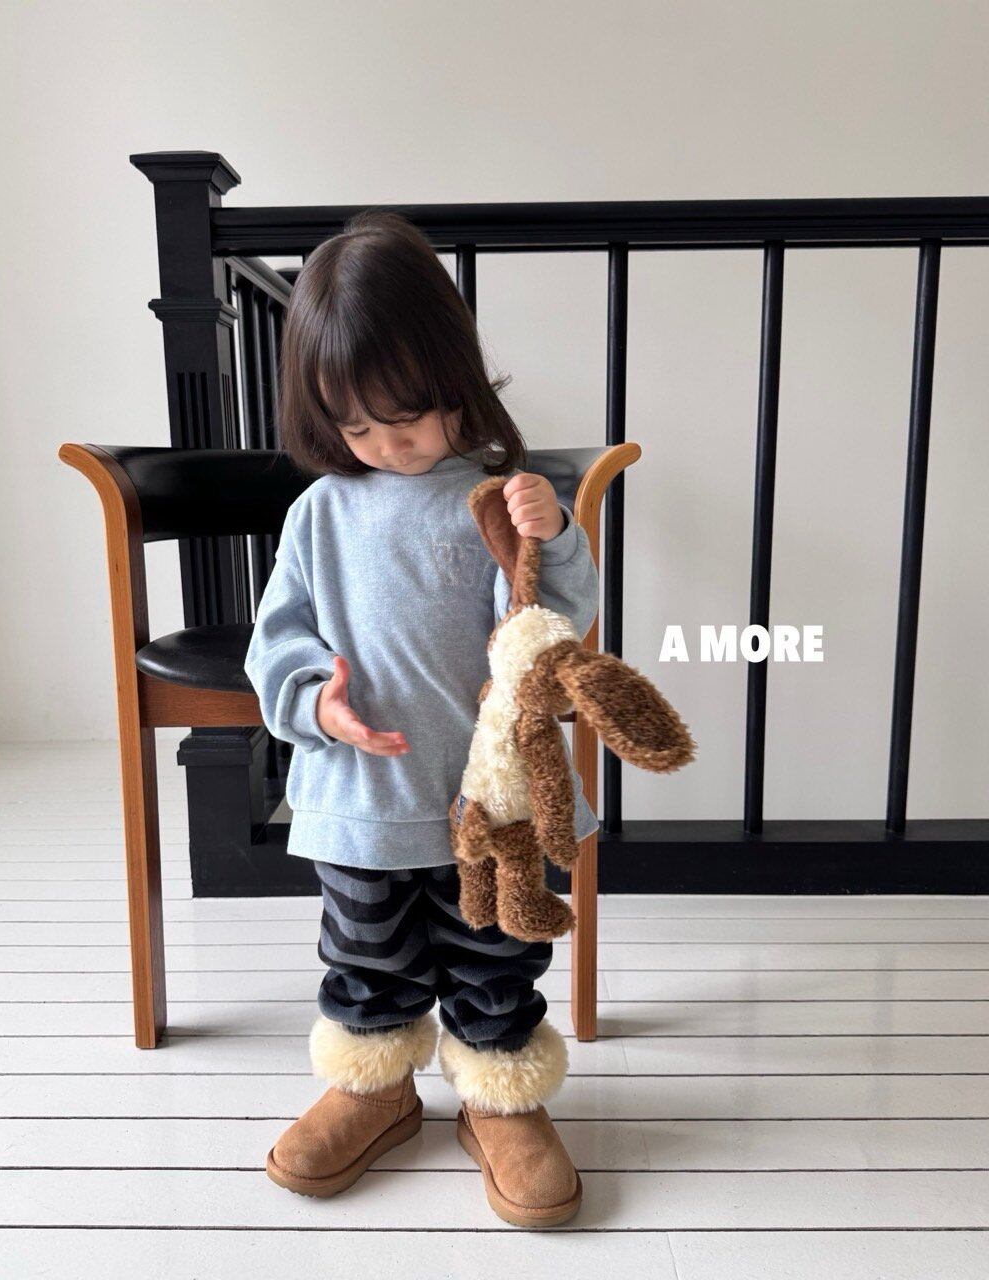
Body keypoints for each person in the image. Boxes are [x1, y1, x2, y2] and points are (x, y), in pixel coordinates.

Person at [243, 209, 600, 1228]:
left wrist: (555, 536)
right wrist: (315, 700)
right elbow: (276, 641)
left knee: (495, 958)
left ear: (455, 383)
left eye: (403, 417)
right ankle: (374, 1085)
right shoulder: (319, 513)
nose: (385, 444)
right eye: (355, 426)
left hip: (485, 798)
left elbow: (554, 625)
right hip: (361, 796)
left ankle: (499, 1094)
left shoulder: (493, 500)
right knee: (366, 955)